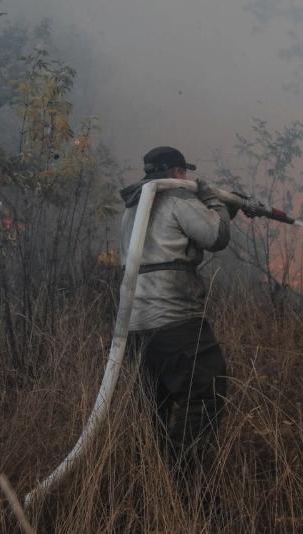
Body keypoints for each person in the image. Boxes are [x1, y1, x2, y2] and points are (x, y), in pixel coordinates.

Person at [119, 146, 235, 482]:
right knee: (206, 392)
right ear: (176, 172)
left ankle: (150, 483)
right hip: (175, 319)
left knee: (157, 406)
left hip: (137, 326)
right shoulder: (177, 199)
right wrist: (213, 201)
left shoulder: (134, 209)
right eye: (184, 173)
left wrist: (227, 210)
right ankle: (184, 477)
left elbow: (174, 238)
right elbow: (215, 236)